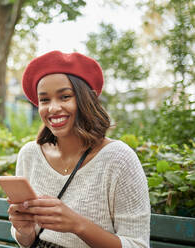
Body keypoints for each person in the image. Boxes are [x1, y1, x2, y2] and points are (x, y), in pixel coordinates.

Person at [8, 51, 150, 248]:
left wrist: (77, 225)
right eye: (45, 100)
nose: (53, 108)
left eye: (65, 96)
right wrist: (24, 231)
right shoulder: (30, 154)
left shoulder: (119, 159)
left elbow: (138, 245)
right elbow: (27, 241)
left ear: (85, 100)